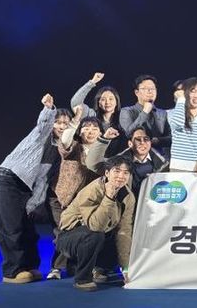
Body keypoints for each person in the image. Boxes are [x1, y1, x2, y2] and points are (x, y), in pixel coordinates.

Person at [0, 94, 71, 284]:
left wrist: (32, 204)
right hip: (7, 180)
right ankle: (13, 271)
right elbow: (43, 123)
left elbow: (42, 180)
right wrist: (49, 109)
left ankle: (30, 266)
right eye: (58, 122)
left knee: (28, 230)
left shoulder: (58, 150)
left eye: (65, 123)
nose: (61, 126)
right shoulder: (42, 135)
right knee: (12, 228)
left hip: (25, 187)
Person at [47, 108, 119, 280]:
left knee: (90, 231)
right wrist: (75, 121)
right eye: (86, 128)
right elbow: (64, 141)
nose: (90, 131)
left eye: (95, 128)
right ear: (80, 132)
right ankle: (56, 268)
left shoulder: (102, 152)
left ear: (100, 132)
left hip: (86, 200)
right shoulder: (74, 146)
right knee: (63, 230)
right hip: (63, 198)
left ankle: (90, 266)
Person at [56, 156, 135, 292]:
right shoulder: (92, 190)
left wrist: (126, 268)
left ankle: (99, 268)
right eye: (116, 171)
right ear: (107, 173)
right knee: (94, 235)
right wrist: (109, 198)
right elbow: (95, 226)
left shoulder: (128, 197)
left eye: (125, 173)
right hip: (70, 237)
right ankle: (83, 278)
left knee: (120, 238)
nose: (121, 176)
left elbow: (124, 230)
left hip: (99, 233)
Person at [87, 126, 169, 198]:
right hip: (125, 206)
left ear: (150, 143)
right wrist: (105, 138)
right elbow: (94, 164)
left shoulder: (164, 164)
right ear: (130, 143)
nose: (142, 142)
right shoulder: (118, 161)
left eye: (146, 139)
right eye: (138, 139)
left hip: (150, 205)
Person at [167, 78, 197, 174]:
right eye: (192, 91)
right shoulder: (174, 113)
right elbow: (178, 124)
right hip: (180, 168)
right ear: (185, 93)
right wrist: (181, 99)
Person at [70, 72, 126, 156]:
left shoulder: (123, 117)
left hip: (115, 160)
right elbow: (75, 103)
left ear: (116, 102)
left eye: (111, 99)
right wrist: (92, 82)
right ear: (98, 103)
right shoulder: (91, 115)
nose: (107, 102)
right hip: (91, 158)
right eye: (103, 99)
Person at [119, 74, 171, 155]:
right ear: (137, 92)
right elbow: (129, 133)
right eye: (145, 88)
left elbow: (171, 137)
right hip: (135, 156)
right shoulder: (127, 111)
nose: (150, 91)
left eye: (152, 88)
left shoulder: (162, 113)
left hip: (159, 157)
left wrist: (158, 140)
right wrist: (145, 112)